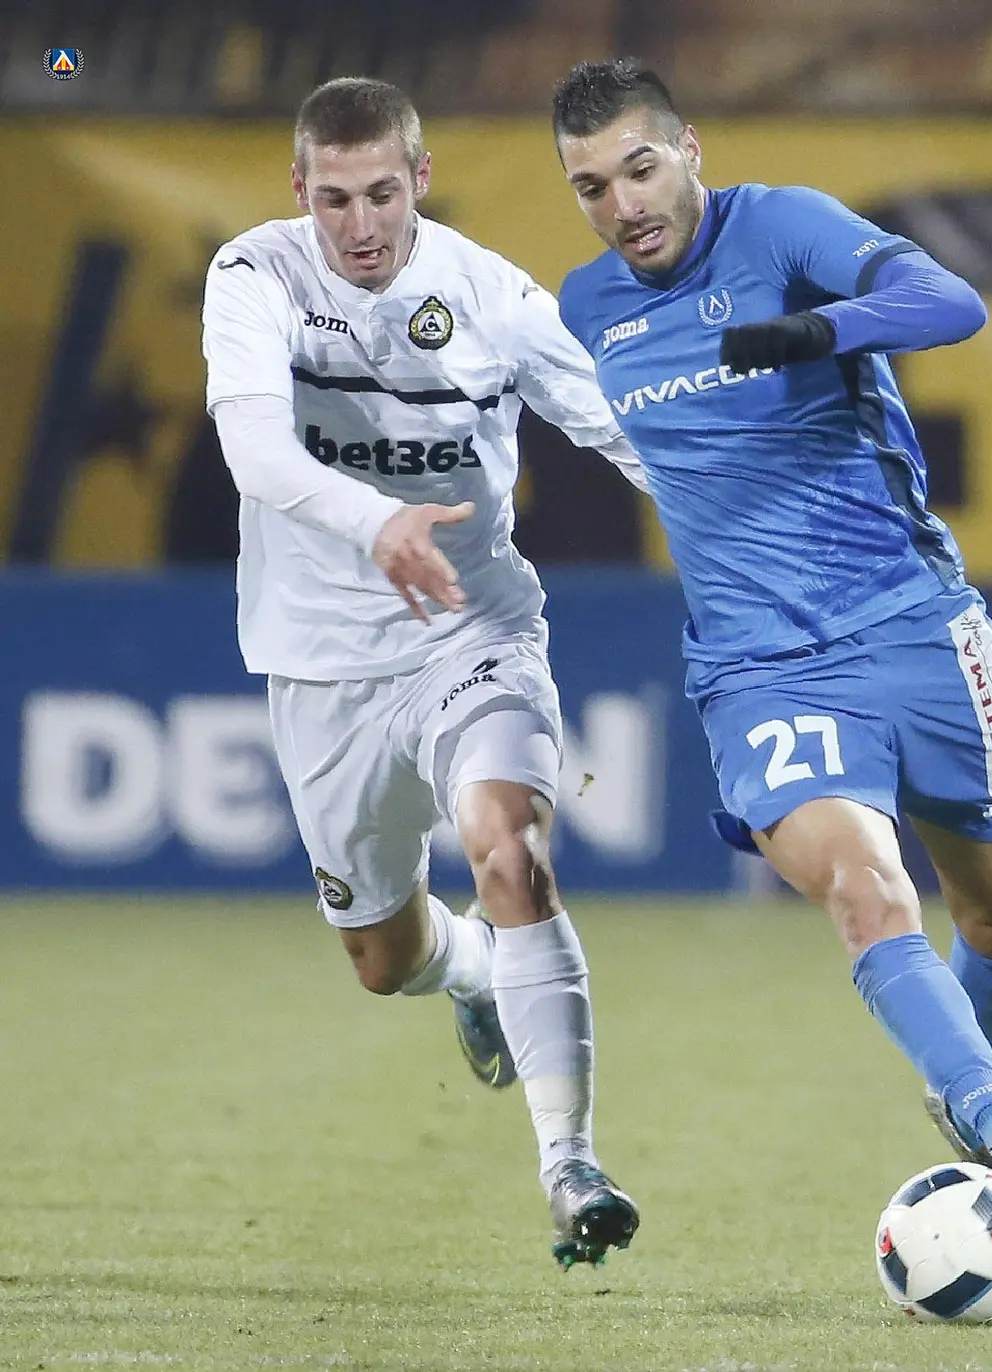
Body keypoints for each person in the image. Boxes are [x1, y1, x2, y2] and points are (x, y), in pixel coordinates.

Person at [550, 58, 992, 1219]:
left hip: (918, 623)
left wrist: (811, 331)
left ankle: (967, 1106)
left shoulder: (781, 228)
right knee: (864, 886)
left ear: (689, 148)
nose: (624, 205)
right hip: (762, 666)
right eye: (592, 187)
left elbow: (953, 303)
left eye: (640, 169)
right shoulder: (583, 309)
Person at [201, 75, 642, 1268]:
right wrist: (375, 523)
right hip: (322, 667)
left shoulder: (492, 296)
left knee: (512, 848)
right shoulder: (253, 275)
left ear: (421, 180)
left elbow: (620, 427)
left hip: (471, 630)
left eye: (383, 194)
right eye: (335, 198)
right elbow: (255, 449)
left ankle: (571, 1167)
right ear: (300, 191)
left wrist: (749, 529)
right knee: (382, 960)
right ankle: (474, 970)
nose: (361, 224)